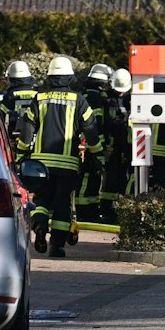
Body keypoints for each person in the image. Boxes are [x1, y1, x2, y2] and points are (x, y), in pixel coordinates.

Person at [29, 56, 96, 258]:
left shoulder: (39, 98)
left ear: (50, 77)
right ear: (70, 78)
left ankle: (39, 226)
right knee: (62, 204)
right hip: (68, 165)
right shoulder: (79, 100)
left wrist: (23, 152)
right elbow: (90, 129)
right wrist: (97, 152)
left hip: (41, 165)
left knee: (41, 199)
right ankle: (56, 246)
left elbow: (26, 129)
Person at [74, 63, 116, 224]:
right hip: (91, 145)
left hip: (83, 144)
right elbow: (95, 125)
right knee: (89, 177)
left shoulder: (83, 94)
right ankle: (85, 211)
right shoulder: (96, 98)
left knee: (89, 177)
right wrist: (101, 148)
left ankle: (89, 210)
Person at [105, 68, 135, 197]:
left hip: (128, 142)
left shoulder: (132, 98)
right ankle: (109, 204)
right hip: (112, 143)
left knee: (125, 174)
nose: (120, 93)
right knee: (111, 175)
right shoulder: (107, 98)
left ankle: (124, 200)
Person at [3, 60, 39, 159]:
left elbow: (1, 116)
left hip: (15, 137)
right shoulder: (37, 94)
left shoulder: (10, 96)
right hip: (34, 136)